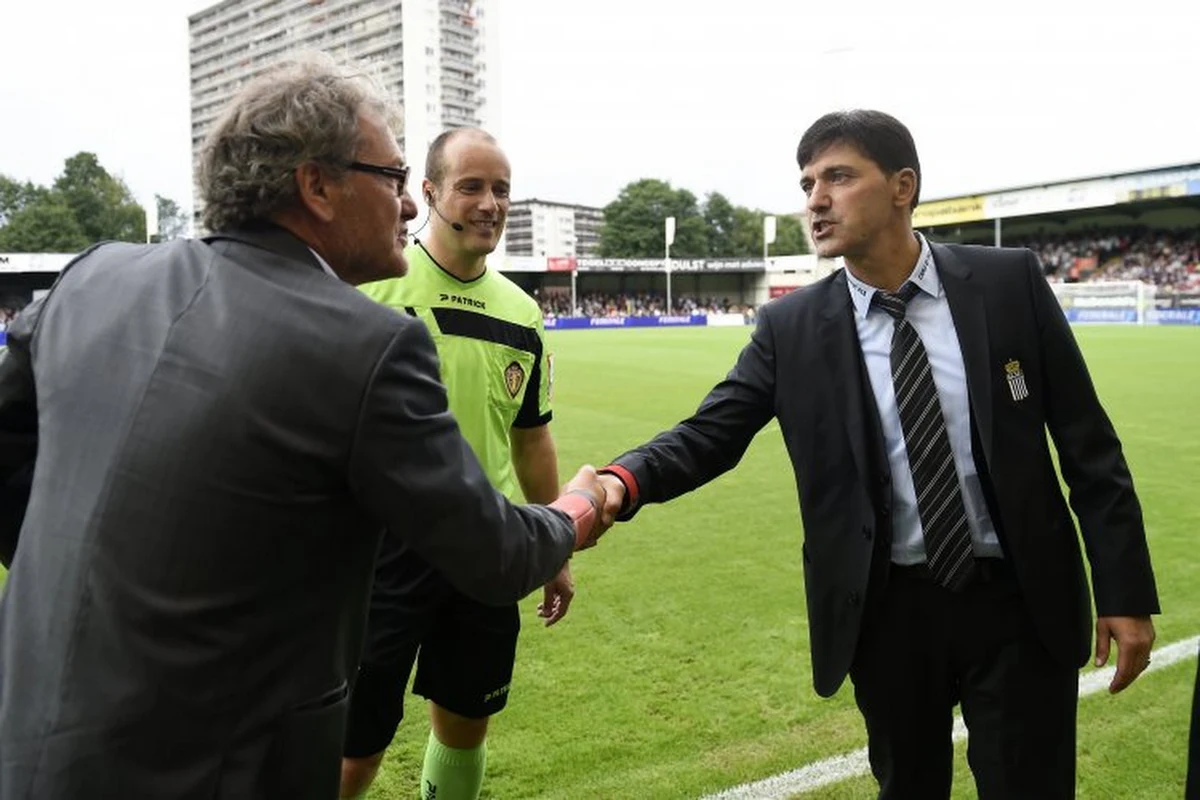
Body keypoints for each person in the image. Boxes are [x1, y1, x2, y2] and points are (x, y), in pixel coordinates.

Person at [0, 53, 608, 800]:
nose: (410, 206)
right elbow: (494, 553)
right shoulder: (367, 341)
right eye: (391, 178)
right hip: (223, 766)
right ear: (317, 186)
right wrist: (579, 507)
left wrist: (99, 580)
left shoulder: (90, 279)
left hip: (34, 753)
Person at [592, 109, 1160, 799]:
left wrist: (1125, 592)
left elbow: (1088, 446)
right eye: (807, 183)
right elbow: (709, 434)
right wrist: (620, 483)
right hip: (887, 614)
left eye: (838, 176)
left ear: (902, 186)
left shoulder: (1008, 284)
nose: (815, 200)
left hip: (1018, 603)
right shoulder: (790, 327)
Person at [337, 127, 567, 800]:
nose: (490, 203)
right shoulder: (371, 291)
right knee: (355, 752)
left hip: (486, 545)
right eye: (472, 186)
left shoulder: (522, 313)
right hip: (380, 553)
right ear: (429, 192)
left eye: (501, 189)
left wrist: (553, 549)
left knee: (465, 727)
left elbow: (532, 439)